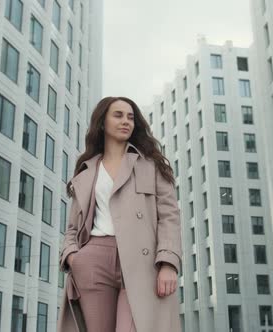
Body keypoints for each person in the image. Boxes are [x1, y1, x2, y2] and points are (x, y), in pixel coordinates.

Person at [57, 97, 182, 332]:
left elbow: (170, 216)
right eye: (118, 115)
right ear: (102, 123)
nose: (126, 121)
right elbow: (73, 227)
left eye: (130, 117)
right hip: (94, 260)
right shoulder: (86, 170)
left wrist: (168, 263)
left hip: (140, 260)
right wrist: (74, 258)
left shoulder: (150, 164)